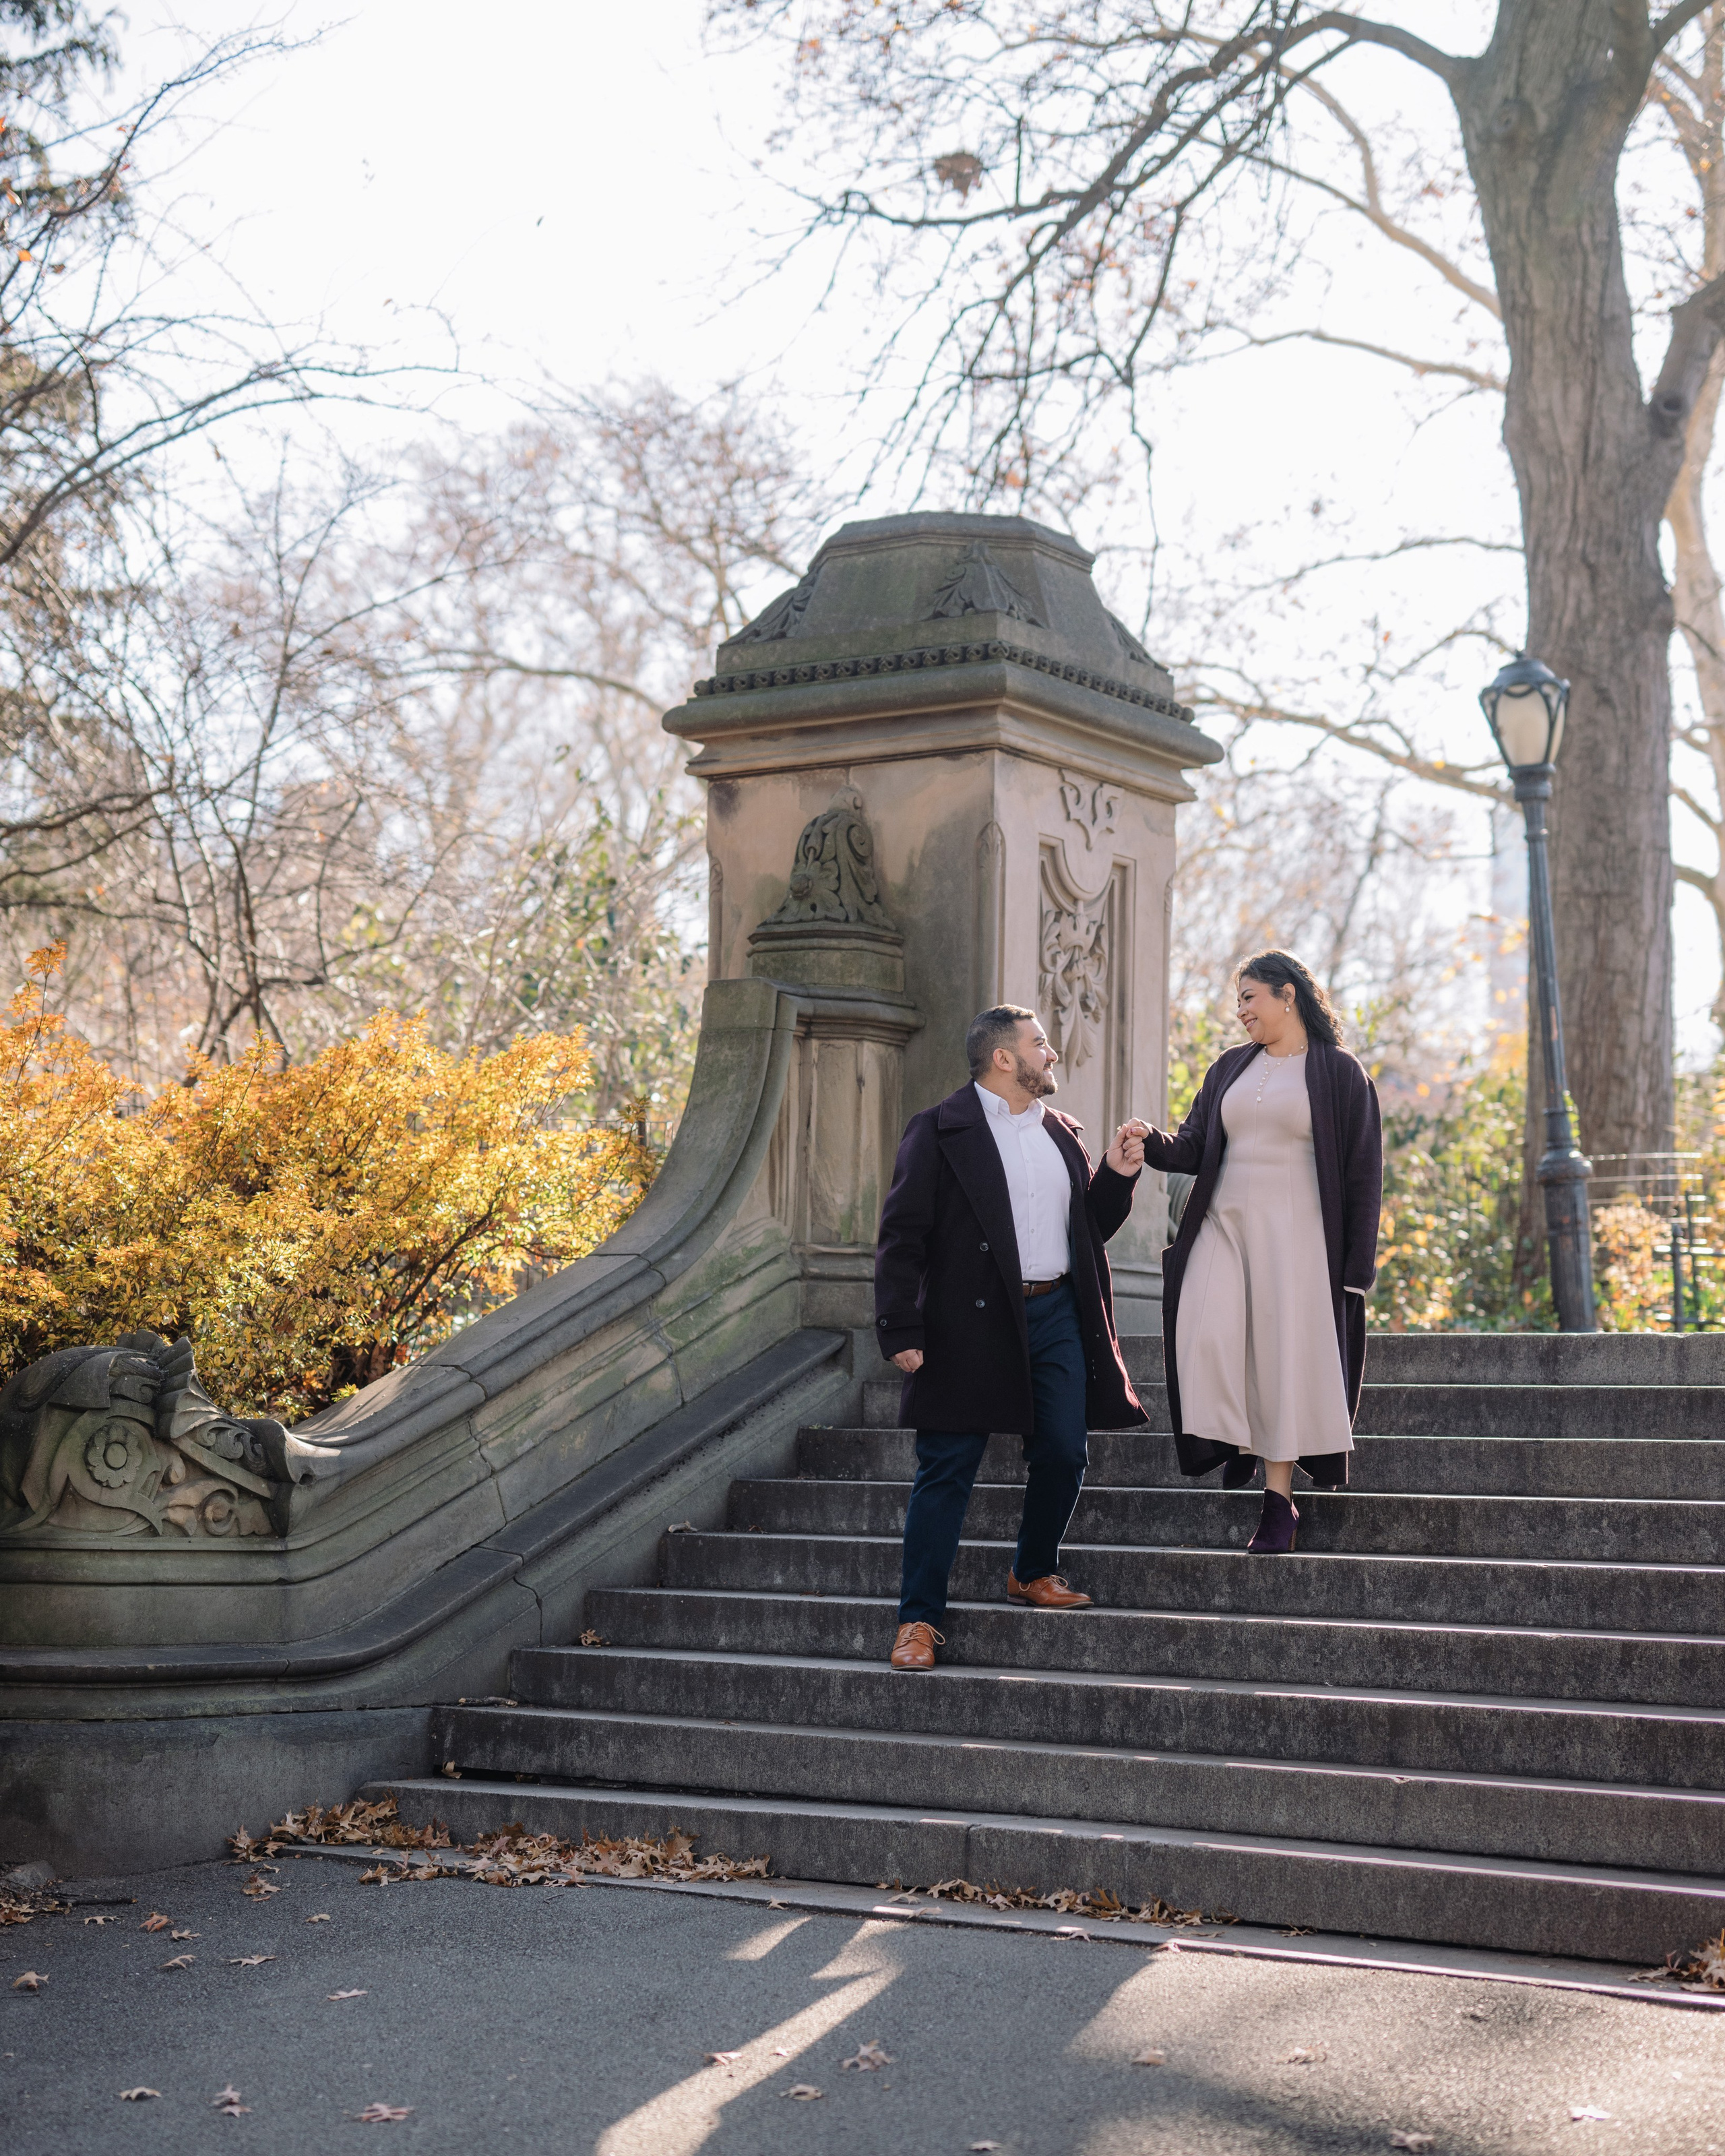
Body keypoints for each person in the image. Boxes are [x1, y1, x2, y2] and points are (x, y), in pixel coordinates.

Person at [873, 1004, 1150, 1671]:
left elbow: (1087, 1230)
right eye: (1039, 1044)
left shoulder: (1063, 1133)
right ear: (1003, 1057)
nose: (1050, 1054)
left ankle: (1032, 1569)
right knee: (947, 1470)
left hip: (1055, 1310)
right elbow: (901, 1233)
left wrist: (1114, 1173)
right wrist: (898, 1324)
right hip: (966, 1318)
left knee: (1063, 1449)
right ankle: (917, 1620)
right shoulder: (940, 1129)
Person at [1138, 950, 1382, 1553]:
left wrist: (1356, 1271)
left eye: (1249, 997)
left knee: (1280, 1362)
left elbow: (1363, 1171)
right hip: (1223, 1227)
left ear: (1288, 994)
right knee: (1207, 1329)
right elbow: (1193, 1144)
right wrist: (1150, 1141)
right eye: (1238, 999)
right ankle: (1235, 1440)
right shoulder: (1229, 1068)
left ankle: (1279, 1503)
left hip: (1297, 1243)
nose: (1240, 1010)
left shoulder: (1340, 1073)